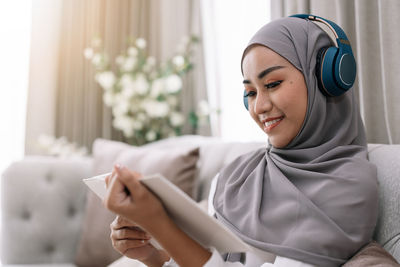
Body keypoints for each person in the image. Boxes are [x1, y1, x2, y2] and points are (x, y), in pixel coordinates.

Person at [103, 15, 379, 267]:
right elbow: (209, 257)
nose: (259, 107)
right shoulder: (237, 176)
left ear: (325, 80)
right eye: (249, 92)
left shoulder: (348, 187)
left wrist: (160, 224)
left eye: (272, 84)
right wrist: (151, 254)